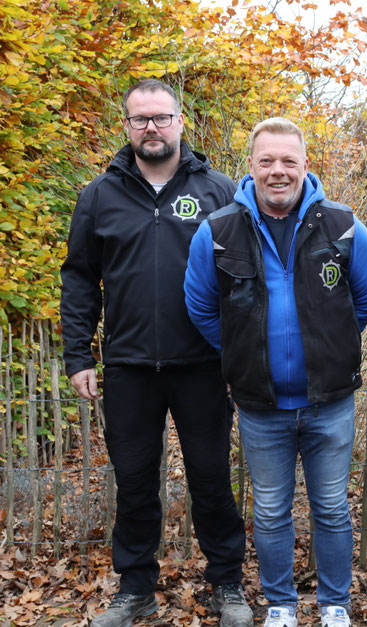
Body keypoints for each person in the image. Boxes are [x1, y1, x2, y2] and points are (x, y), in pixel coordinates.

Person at [60, 79, 251, 627]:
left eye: (161, 117)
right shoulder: (99, 195)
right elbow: (79, 278)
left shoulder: (218, 191)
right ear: (126, 125)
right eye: (140, 119)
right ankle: (135, 589)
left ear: (180, 121)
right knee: (135, 483)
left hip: (204, 367)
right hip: (129, 367)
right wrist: (79, 355)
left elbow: (242, 281)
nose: (151, 127)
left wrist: (238, 357)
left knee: (211, 480)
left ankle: (227, 584)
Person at [184, 117, 367, 627]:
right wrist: (244, 352)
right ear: (250, 166)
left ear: (305, 165)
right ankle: (281, 606)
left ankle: (334, 604)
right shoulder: (217, 231)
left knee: (331, 507)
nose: (278, 171)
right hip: (260, 405)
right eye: (267, 160)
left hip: (329, 402)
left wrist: (327, 346)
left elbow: (365, 298)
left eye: (288, 160)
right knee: (271, 511)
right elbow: (200, 306)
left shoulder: (344, 225)